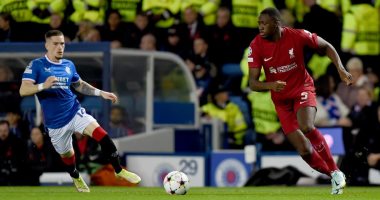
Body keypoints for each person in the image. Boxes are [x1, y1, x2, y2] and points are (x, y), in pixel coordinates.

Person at [19, 30, 141, 192]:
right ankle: (75, 176)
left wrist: (101, 93)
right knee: (68, 155)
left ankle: (119, 170)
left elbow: (79, 84)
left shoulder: (68, 65)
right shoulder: (36, 65)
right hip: (55, 124)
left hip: (74, 111)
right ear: (47, 45)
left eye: (62, 43)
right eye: (55, 44)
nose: (60, 47)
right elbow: (23, 90)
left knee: (102, 135)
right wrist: (43, 86)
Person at [247, 8, 352, 194]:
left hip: (302, 89)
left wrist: (340, 68)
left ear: (277, 24)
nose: (261, 27)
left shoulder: (297, 35)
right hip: (281, 100)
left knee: (307, 127)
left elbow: (326, 46)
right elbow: (253, 83)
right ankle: (336, 175)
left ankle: (335, 171)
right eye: (259, 24)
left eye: (264, 23)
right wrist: (270, 85)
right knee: (304, 151)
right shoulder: (256, 45)